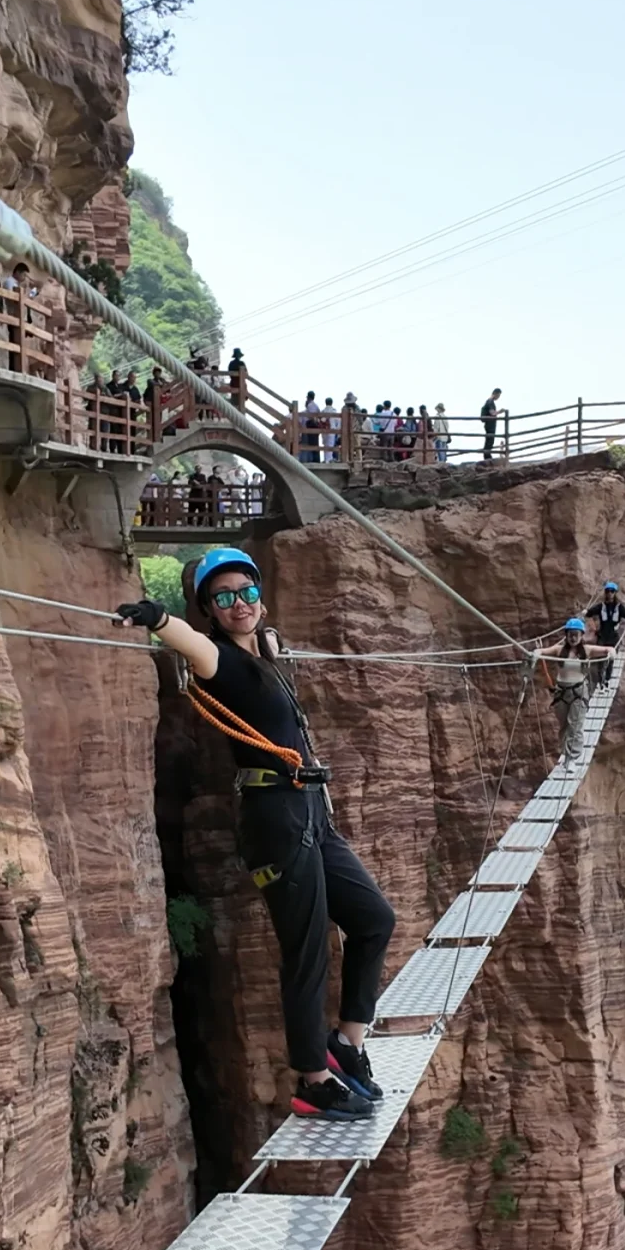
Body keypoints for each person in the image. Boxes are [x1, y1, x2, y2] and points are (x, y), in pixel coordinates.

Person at [114, 550, 396, 1121]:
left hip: (311, 807)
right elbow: (189, 644)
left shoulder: (265, 654)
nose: (237, 603)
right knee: (308, 948)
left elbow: (256, 650)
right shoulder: (218, 659)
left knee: (373, 920)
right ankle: (313, 1078)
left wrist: (266, 644)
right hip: (275, 818)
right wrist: (157, 619)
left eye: (245, 592)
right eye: (223, 597)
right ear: (209, 612)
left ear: (260, 597)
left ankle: (347, 1044)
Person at [533, 618, 615, 765]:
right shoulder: (559, 650)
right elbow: (543, 651)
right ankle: (565, 754)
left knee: (575, 726)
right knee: (564, 726)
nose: (573, 638)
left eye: (576, 634)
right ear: (566, 635)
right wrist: (535, 653)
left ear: (581, 635)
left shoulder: (587, 650)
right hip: (561, 693)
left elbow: (606, 649)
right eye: (571, 634)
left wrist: (612, 651)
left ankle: (572, 757)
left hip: (578, 692)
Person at [584, 581, 625, 686]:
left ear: (615, 593)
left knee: (610, 658)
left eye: (612, 591)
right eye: (608, 591)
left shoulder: (619, 607)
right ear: (605, 593)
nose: (610, 593)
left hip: (613, 637)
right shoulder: (601, 606)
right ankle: (601, 681)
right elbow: (591, 612)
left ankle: (607, 680)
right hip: (603, 636)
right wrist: (586, 612)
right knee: (601, 659)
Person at [481, 388, 504, 462]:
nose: (498, 397)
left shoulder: (489, 401)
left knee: (489, 440)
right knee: (489, 440)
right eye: (498, 395)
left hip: (489, 424)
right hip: (490, 424)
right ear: (495, 394)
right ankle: (487, 456)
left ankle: (487, 455)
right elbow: (492, 413)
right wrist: (500, 412)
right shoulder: (490, 402)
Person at [300, 391, 322, 463]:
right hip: (315, 427)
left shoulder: (310, 406)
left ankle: (311, 460)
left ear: (308, 397)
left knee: (309, 445)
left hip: (310, 427)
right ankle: (315, 460)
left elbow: (311, 417)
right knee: (315, 444)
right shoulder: (316, 406)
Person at [320, 397, 339, 462]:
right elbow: (338, 422)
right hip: (332, 430)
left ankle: (325, 459)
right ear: (332, 403)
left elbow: (320, 420)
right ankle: (329, 459)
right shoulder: (334, 411)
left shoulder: (322, 411)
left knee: (325, 444)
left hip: (324, 430)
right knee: (330, 445)